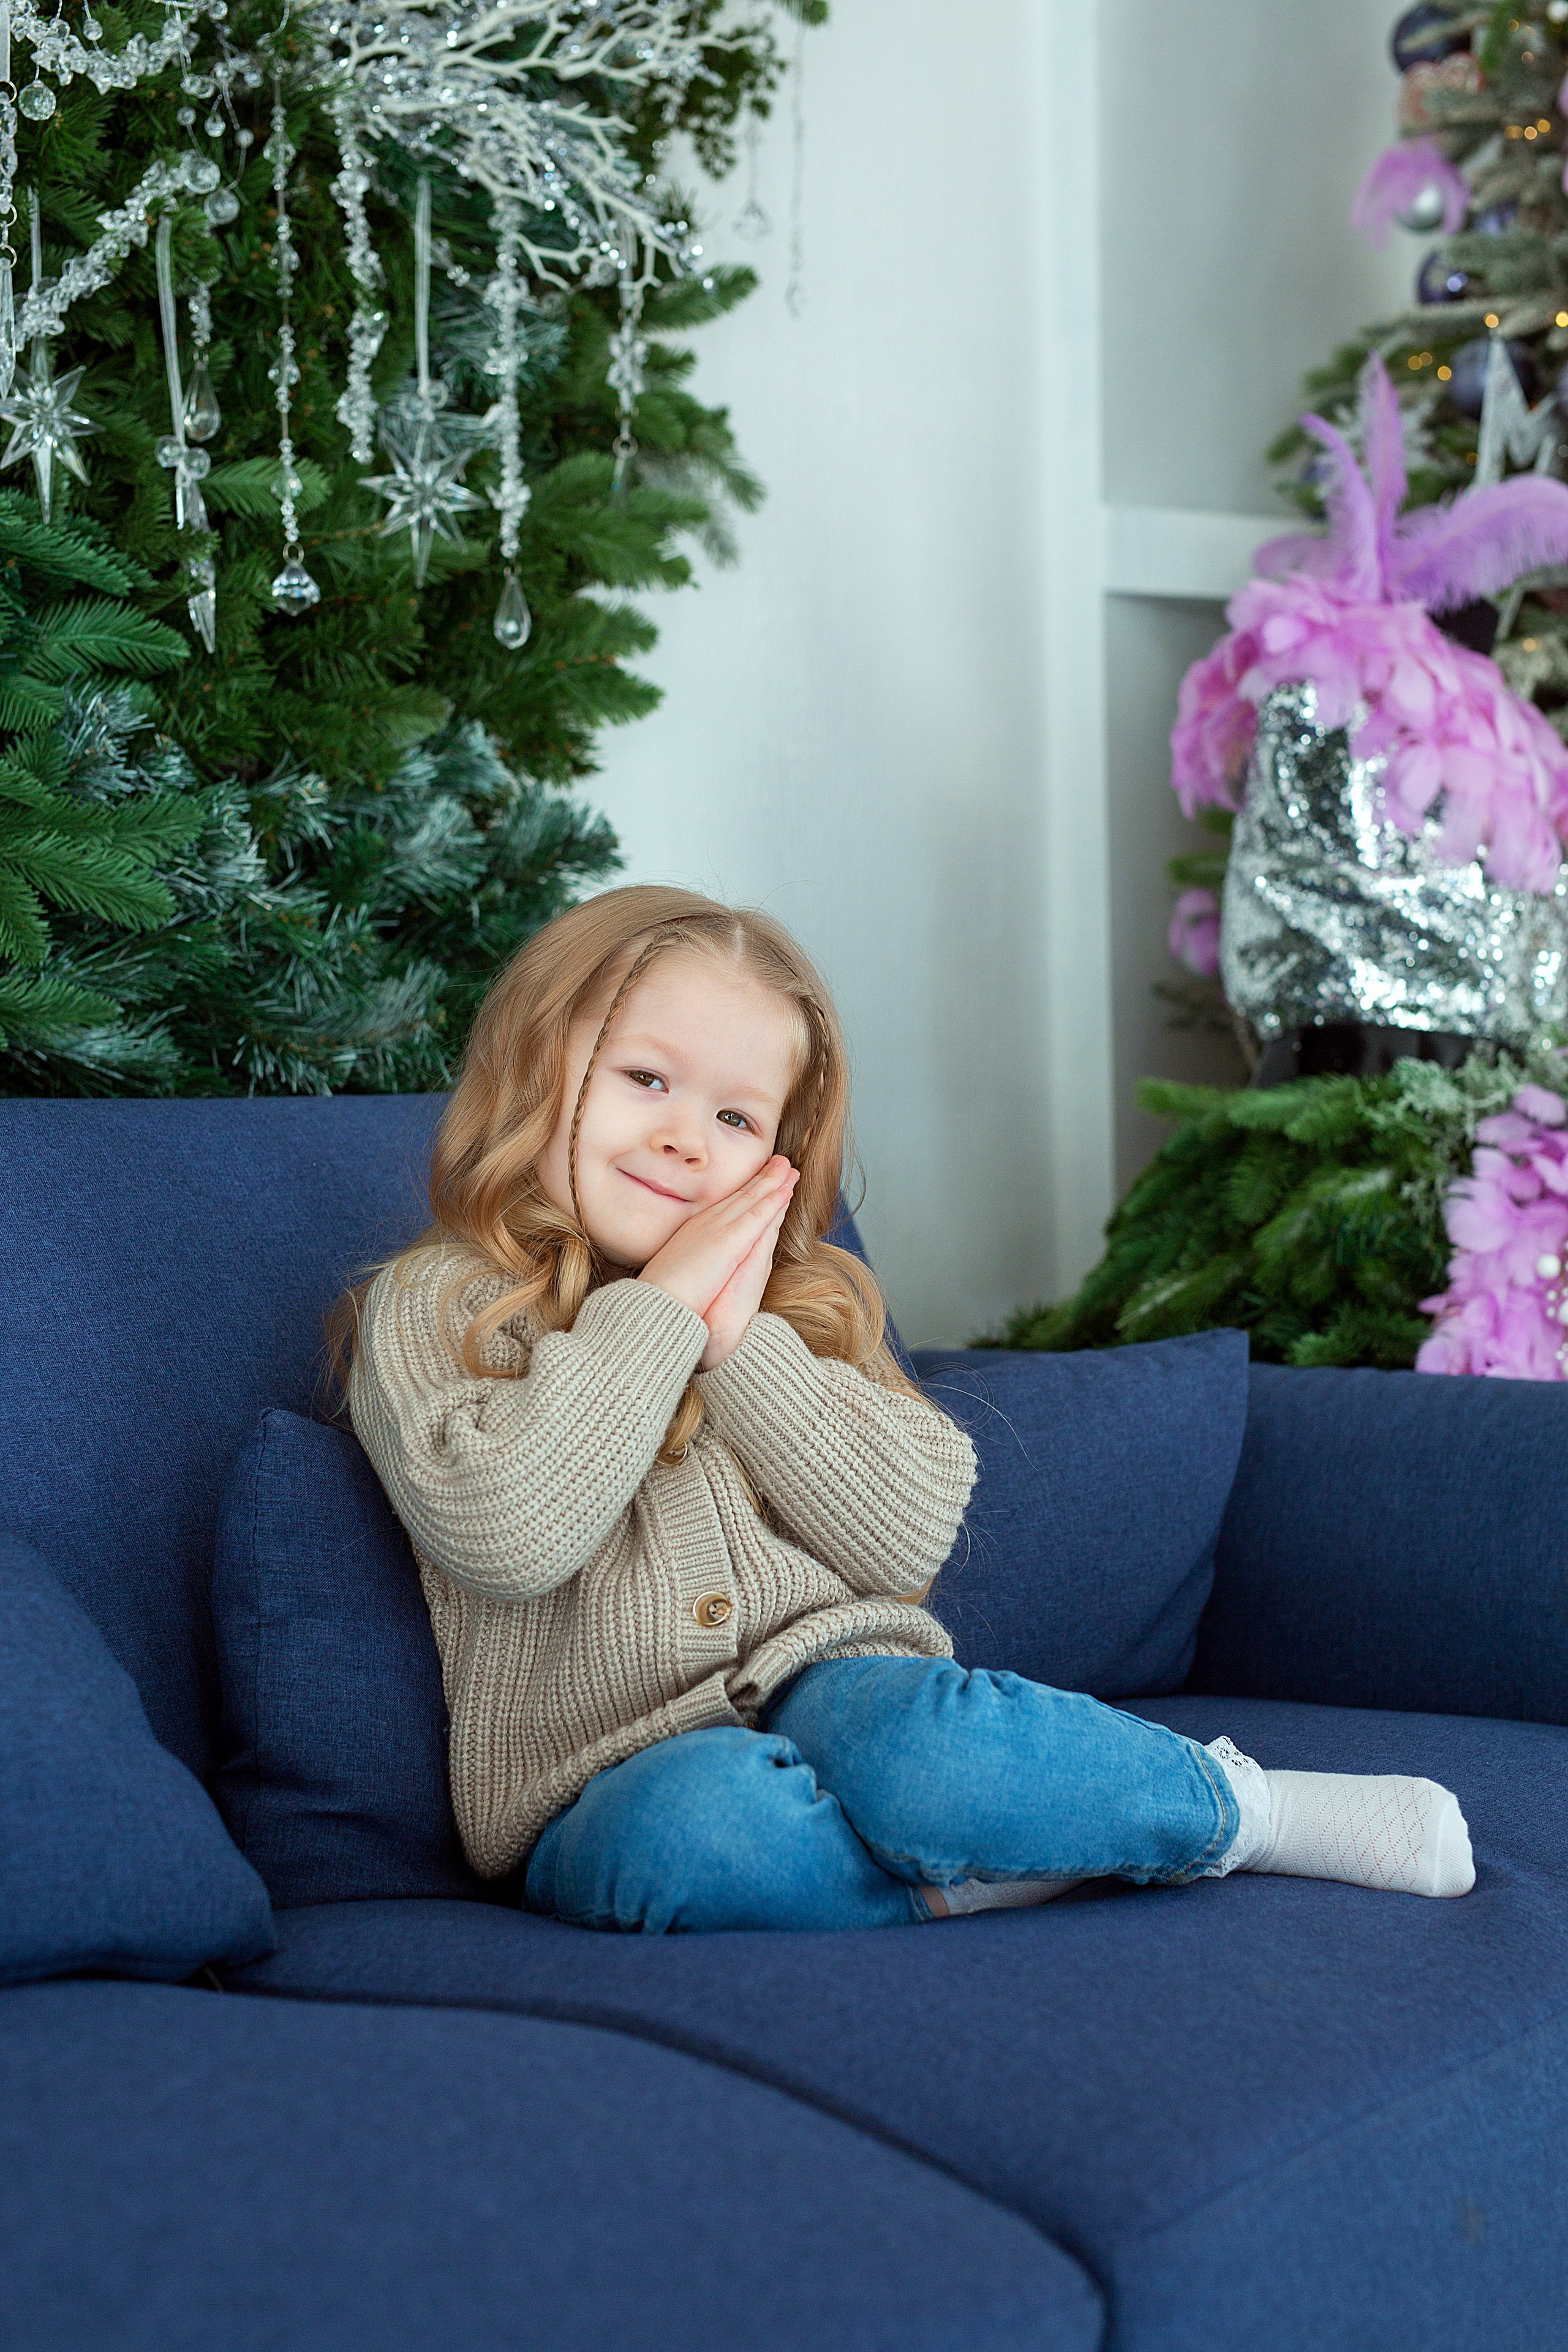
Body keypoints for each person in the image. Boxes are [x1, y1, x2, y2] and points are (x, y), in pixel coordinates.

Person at [326, 883, 1475, 1933]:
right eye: (646, 1079)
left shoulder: (800, 1306)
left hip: (836, 1683)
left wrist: (741, 1347)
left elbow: (910, 1535)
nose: (687, 1136)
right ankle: (965, 1877)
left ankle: (1238, 1809)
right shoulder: (442, 1304)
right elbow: (506, 1534)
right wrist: (663, 1311)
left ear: (781, 1159)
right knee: (699, 1838)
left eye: (738, 1119)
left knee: (935, 1749)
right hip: (597, 1778)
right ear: (540, 1070)